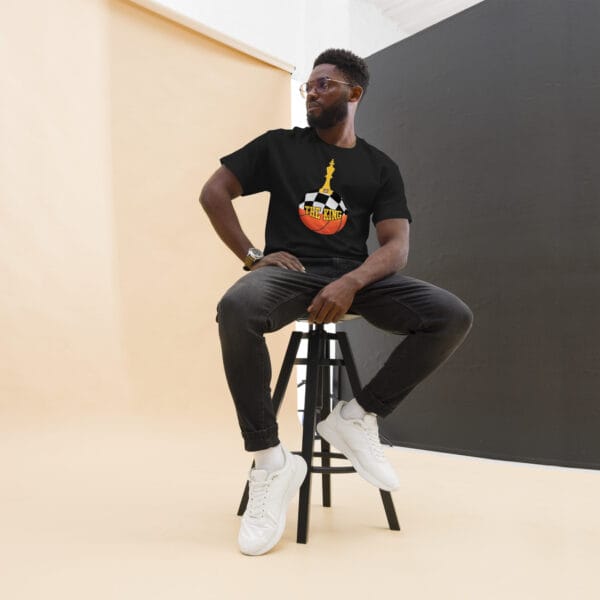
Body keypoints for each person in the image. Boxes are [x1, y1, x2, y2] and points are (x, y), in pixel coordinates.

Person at [200, 48, 473, 556]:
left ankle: (356, 416)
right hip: (292, 276)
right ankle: (270, 462)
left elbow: (396, 247)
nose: (311, 92)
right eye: (308, 85)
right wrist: (255, 256)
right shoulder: (280, 147)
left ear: (354, 92)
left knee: (450, 315)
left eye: (323, 84)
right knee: (236, 308)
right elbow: (214, 191)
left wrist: (352, 282)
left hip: (356, 279)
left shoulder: (379, 167)